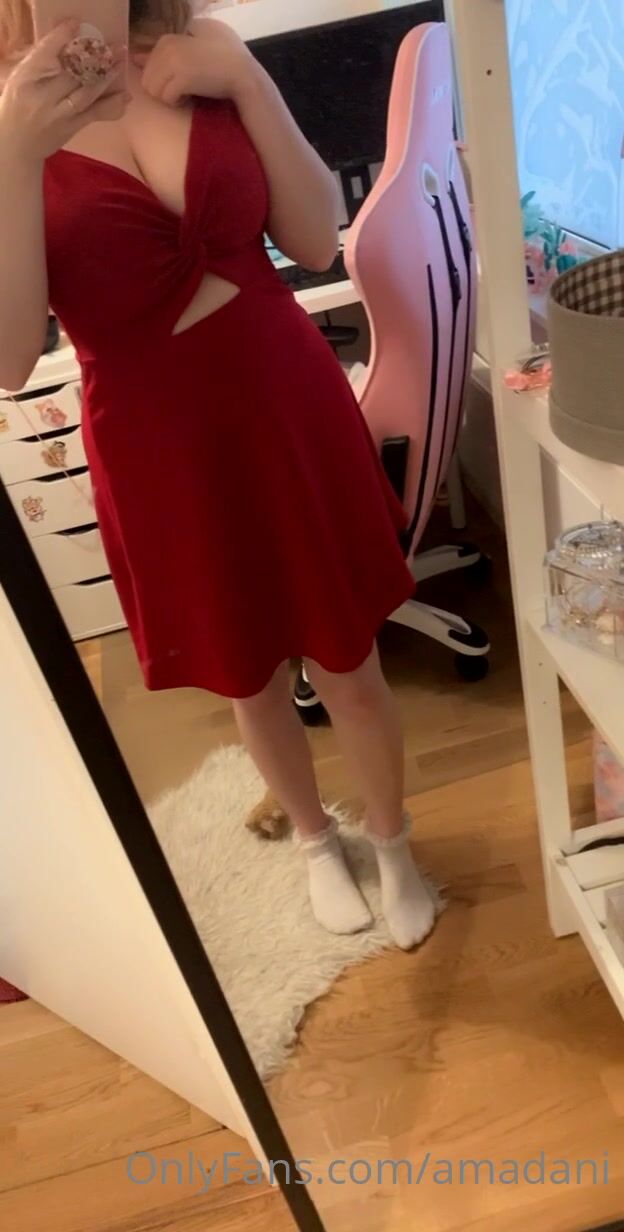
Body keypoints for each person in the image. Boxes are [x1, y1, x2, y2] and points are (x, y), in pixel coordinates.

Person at [0, 0, 437, 949]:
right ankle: (315, 841)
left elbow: (316, 241)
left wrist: (243, 78)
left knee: (350, 662)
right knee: (251, 675)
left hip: (286, 407)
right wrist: (12, 155)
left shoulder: (203, 52)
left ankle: (392, 841)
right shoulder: (10, 118)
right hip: (161, 448)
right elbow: (9, 357)